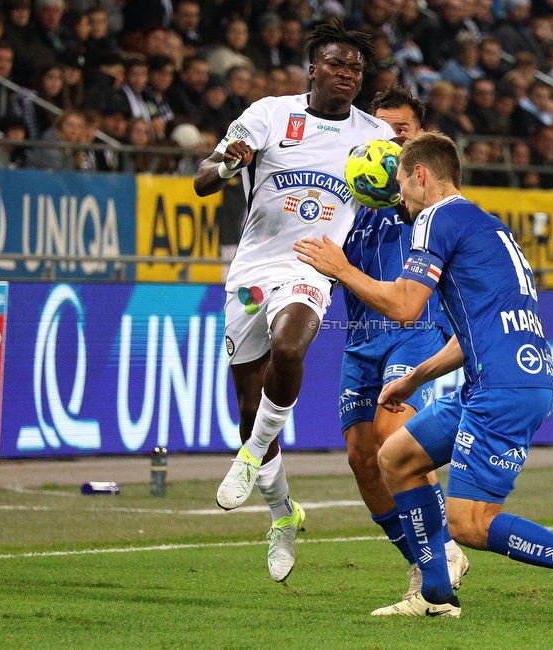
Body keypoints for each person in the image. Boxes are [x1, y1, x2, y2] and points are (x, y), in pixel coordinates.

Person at [292, 132, 553, 624]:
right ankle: (435, 596)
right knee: (395, 458)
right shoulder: (488, 226)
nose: (399, 194)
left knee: (469, 523)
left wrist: (343, 268)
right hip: (501, 377)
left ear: (420, 175)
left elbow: (404, 306)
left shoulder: (437, 217)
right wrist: (415, 378)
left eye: (400, 180)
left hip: (504, 387)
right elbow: (471, 333)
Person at [192, 19, 393, 583]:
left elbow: (404, 193)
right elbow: (203, 181)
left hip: (312, 266)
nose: (347, 74)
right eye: (336, 63)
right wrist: (229, 159)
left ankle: (249, 458)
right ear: (313, 67)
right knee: (250, 407)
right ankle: (283, 515)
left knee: (290, 345)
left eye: (356, 68)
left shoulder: (375, 135)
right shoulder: (269, 114)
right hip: (252, 271)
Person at [340, 86, 469, 602]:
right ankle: (428, 557)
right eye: (381, 130)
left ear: (420, 139)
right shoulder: (349, 191)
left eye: (402, 131)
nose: (389, 140)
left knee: (394, 433)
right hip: (359, 334)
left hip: (414, 327)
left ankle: (438, 560)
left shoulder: (426, 198)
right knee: (360, 457)